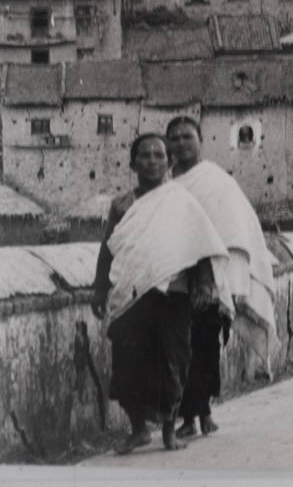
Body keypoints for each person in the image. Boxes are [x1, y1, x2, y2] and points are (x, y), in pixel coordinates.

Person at [92, 133, 230, 454]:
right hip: (133, 294)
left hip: (174, 293)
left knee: (174, 361)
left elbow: (200, 245)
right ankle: (138, 429)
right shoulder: (122, 205)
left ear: (168, 162)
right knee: (127, 361)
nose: (152, 161)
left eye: (158, 155)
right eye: (144, 155)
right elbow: (109, 249)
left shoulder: (181, 200)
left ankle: (169, 430)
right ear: (132, 162)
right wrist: (99, 289)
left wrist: (205, 284)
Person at [165, 115, 279, 439]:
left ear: (200, 140)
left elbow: (237, 222)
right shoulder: (167, 184)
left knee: (206, 346)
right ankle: (189, 417)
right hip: (177, 277)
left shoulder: (216, 180)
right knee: (181, 349)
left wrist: (225, 269)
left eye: (188, 136)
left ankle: (203, 412)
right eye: (174, 138)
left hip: (212, 278)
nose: (181, 143)